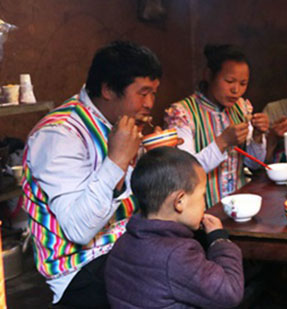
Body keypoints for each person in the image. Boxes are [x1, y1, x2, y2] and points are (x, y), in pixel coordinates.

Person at [21, 41, 162, 307]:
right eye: (143, 93)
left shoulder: (120, 125)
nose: (149, 104)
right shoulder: (59, 134)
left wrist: (154, 158)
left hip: (122, 250)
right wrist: (118, 160)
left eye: (153, 93)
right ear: (108, 89)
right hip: (80, 270)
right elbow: (78, 230)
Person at [105, 147, 244, 308]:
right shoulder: (178, 255)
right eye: (202, 196)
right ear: (179, 201)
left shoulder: (122, 243)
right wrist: (219, 240)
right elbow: (230, 292)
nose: (204, 204)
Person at [165, 44, 269, 208]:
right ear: (208, 75)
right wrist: (223, 142)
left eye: (243, 83)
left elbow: (254, 164)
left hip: (240, 205)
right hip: (202, 212)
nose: (236, 90)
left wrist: (257, 136)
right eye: (229, 81)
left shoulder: (242, 108)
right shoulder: (183, 113)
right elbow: (185, 173)